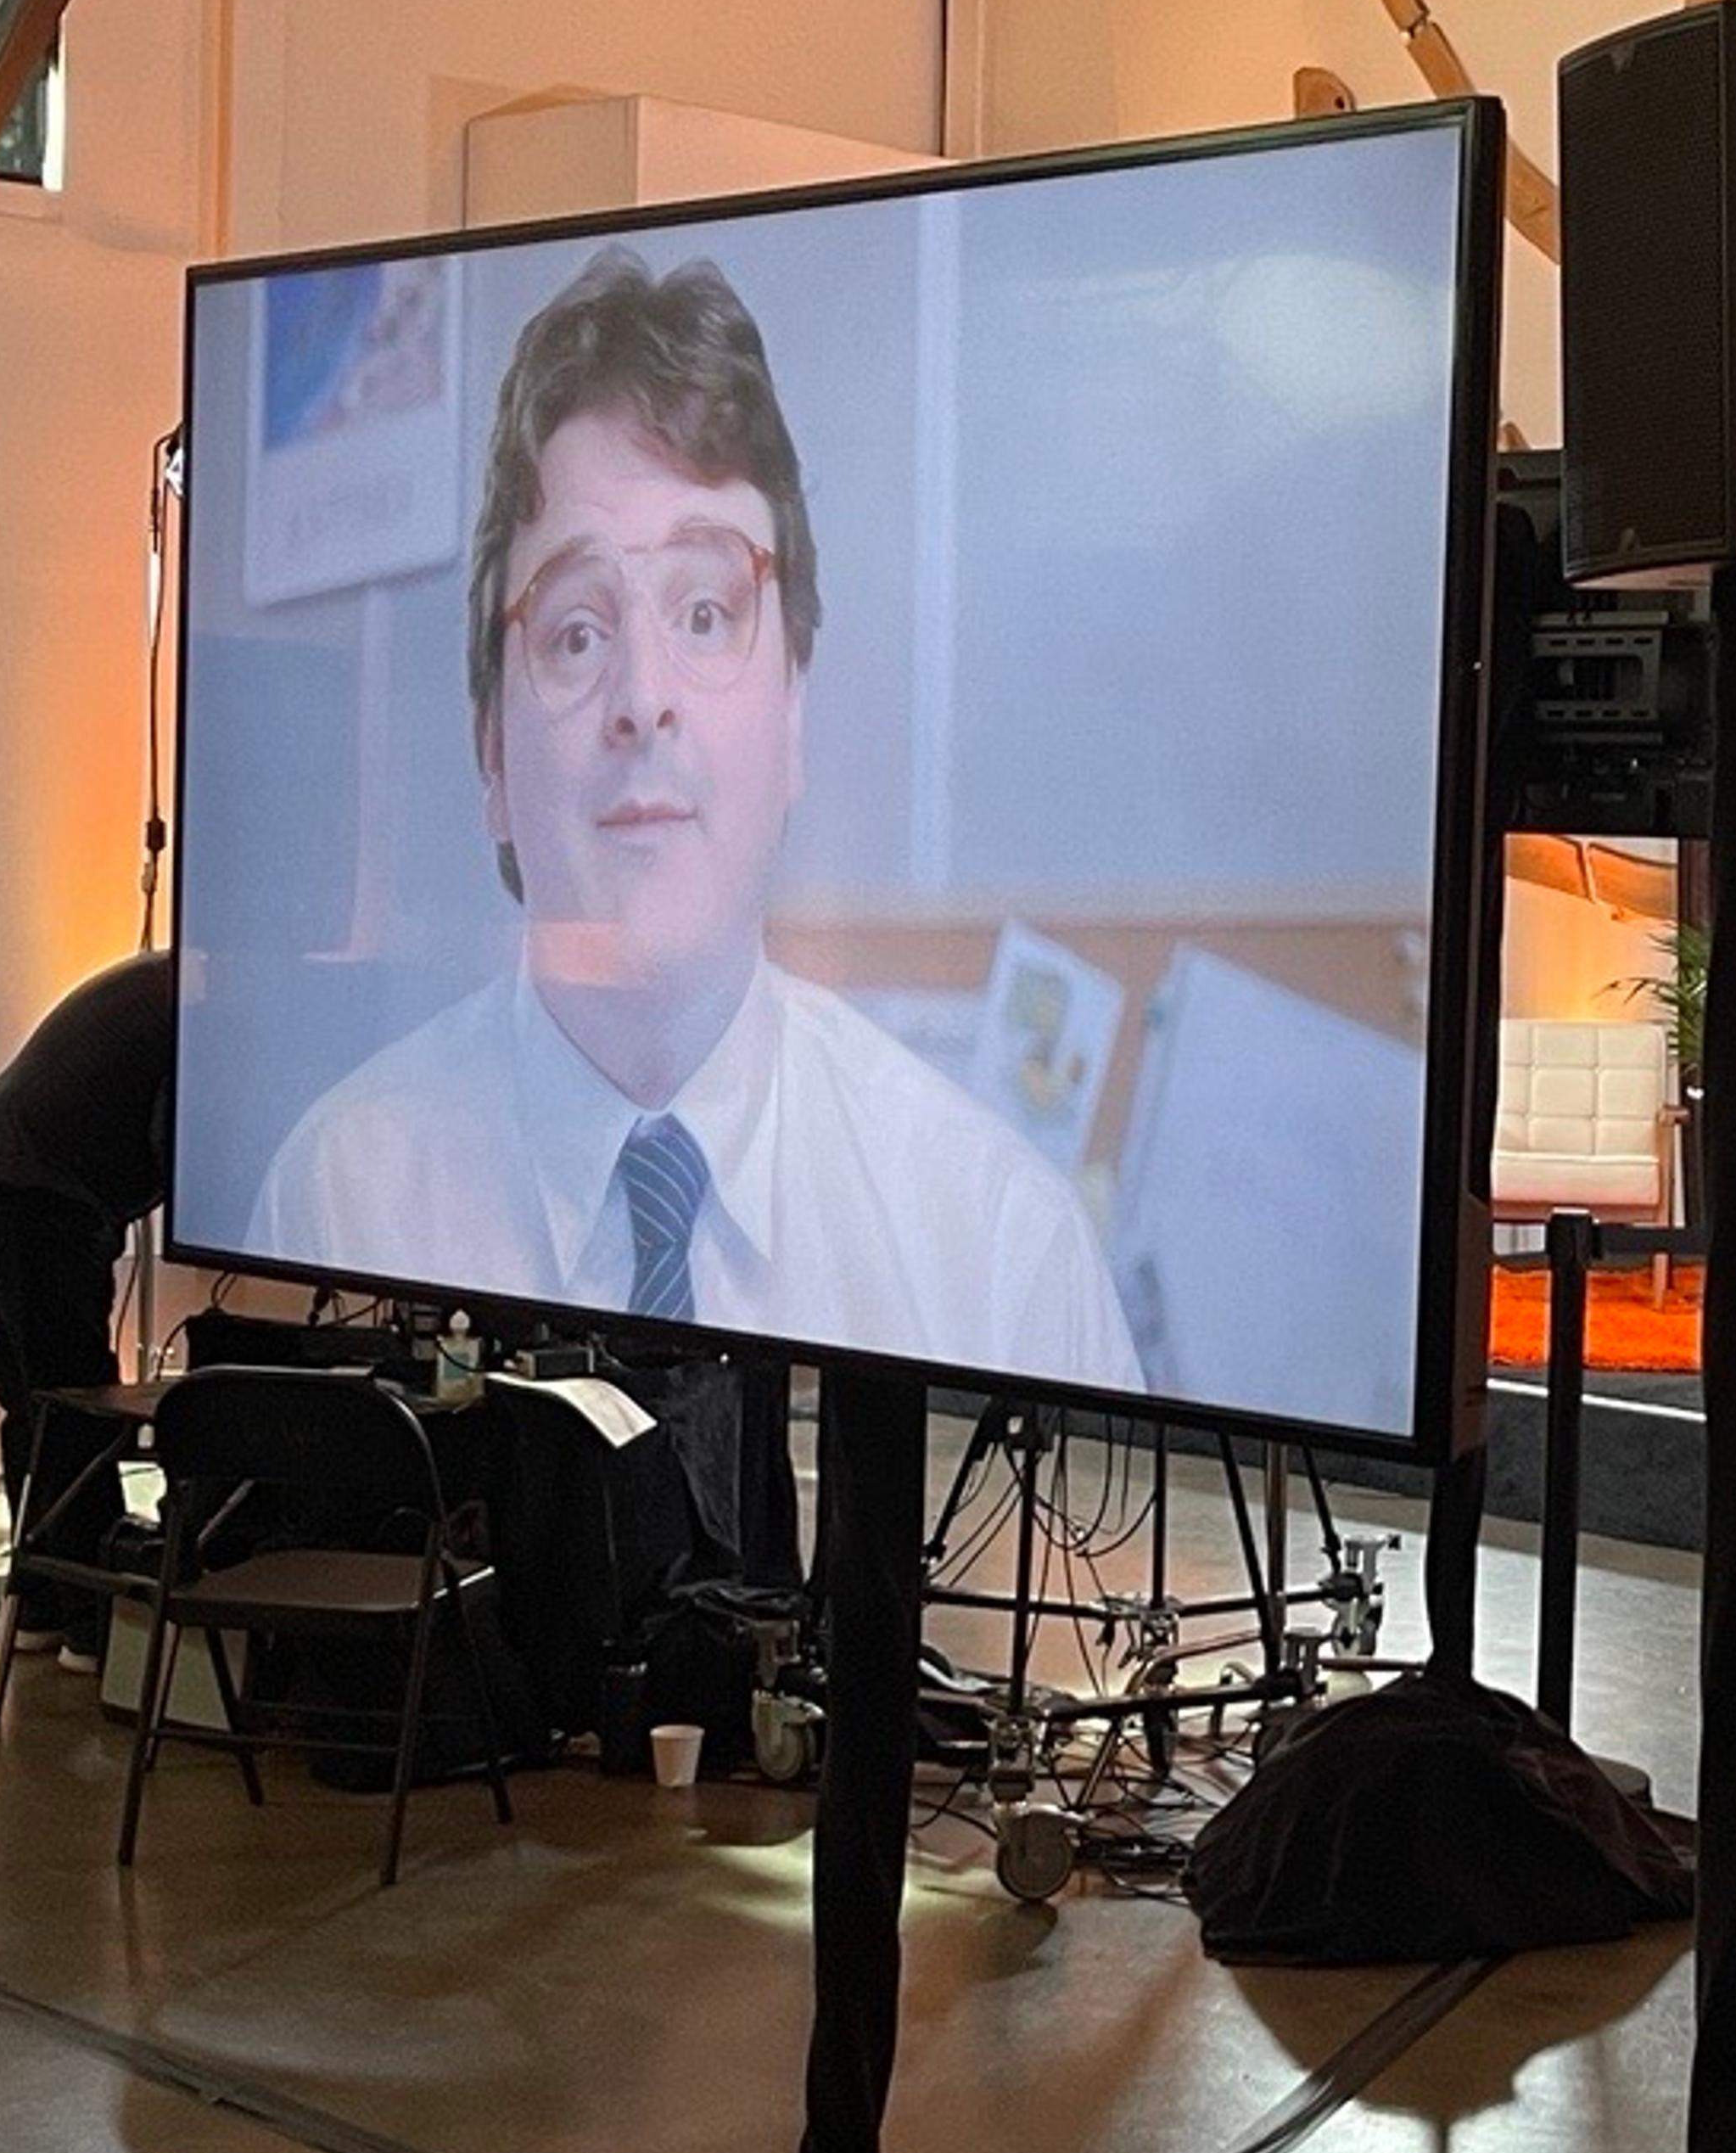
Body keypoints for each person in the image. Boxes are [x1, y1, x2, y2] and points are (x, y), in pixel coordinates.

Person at [248, 249, 1141, 1392]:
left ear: (794, 710)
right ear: (490, 753)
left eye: (707, 612)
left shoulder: (999, 1251)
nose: (643, 698)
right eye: (577, 631)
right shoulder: (339, 1198)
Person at [0, 951, 176, 1669]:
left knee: (34, 1399)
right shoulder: (206, 1008)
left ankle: (38, 1601)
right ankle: (90, 1622)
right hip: (36, 1190)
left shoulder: (163, 976)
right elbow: (178, 1144)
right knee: (76, 1402)